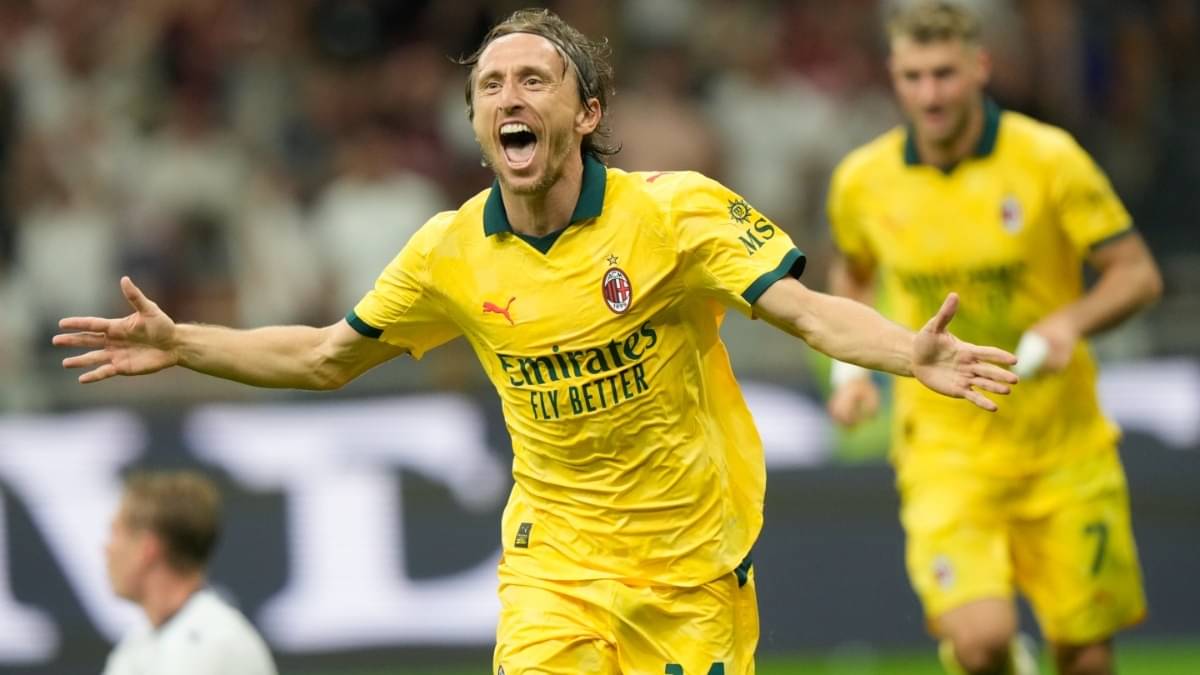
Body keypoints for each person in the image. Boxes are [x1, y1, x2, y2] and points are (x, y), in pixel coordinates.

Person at [56, 9, 1017, 674]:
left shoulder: (674, 214)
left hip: (690, 569)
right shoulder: (449, 252)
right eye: (490, 85)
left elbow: (805, 311)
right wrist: (186, 343)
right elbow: (324, 355)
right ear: (478, 126)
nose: (509, 96)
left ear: (586, 113)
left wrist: (910, 352)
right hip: (552, 567)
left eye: (533, 80)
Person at [824, 2, 1164, 674]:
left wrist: (1069, 321)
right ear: (893, 77)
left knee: (1086, 657)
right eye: (914, 76)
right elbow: (853, 274)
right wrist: (851, 374)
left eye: (945, 74)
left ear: (980, 67)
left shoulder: (1048, 158)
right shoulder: (863, 181)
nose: (930, 95)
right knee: (979, 642)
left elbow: (1138, 274)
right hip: (945, 450)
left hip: (1061, 445)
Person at [102, 470, 277, 675]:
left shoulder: (213, 643)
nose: (107, 549)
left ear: (147, 548)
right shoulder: (137, 642)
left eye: (116, 533)